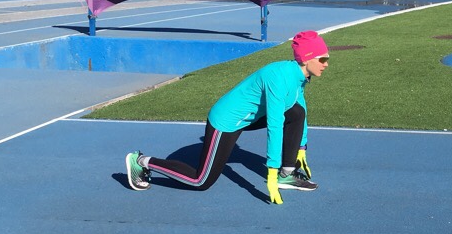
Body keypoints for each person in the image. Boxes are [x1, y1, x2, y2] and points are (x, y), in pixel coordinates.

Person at [125, 30, 331, 204]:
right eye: (322, 59)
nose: (326, 64)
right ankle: (142, 161)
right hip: (227, 120)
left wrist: (301, 148)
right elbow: (275, 125)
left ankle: (286, 175)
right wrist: (271, 171)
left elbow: (300, 108)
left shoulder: (299, 75)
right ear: (307, 58)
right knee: (200, 180)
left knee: (295, 112)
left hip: (251, 116)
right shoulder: (279, 77)